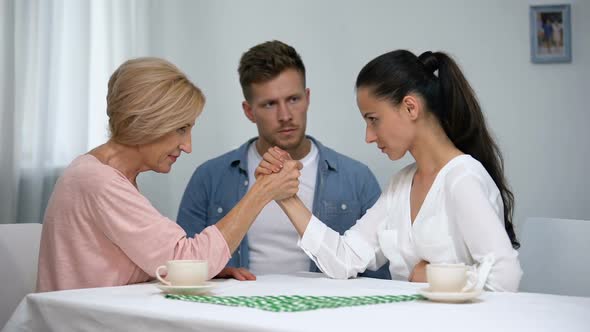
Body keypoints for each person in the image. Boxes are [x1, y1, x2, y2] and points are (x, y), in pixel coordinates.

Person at [256, 50, 523, 291]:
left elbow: (506, 277)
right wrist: (286, 196)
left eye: (373, 120)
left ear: (410, 107)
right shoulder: (401, 185)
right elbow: (345, 259)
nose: (368, 136)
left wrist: (432, 276)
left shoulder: (462, 178)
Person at [36, 57, 301, 292]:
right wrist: (261, 191)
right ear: (147, 121)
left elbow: (150, 261)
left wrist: (207, 268)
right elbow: (185, 258)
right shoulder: (98, 182)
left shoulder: (105, 176)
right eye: (181, 129)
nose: (188, 146)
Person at [177, 40, 390, 280]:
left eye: (293, 100)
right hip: (236, 312)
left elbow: (379, 277)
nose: (285, 116)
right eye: (269, 104)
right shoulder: (209, 178)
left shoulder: (356, 178)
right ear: (249, 111)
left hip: (327, 314)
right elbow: (184, 267)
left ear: (307, 98)